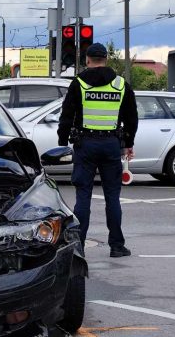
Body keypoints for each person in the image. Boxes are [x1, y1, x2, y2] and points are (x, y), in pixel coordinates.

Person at [57, 43, 138, 257]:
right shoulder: (121, 85)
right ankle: (117, 246)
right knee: (113, 196)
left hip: (85, 146)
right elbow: (131, 117)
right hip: (111, 145)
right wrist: (129, 143)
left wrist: (62, 141)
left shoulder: (79, 83)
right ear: (106, 59)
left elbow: (66, 116)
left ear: (88, 60)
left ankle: (78, 246)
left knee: (83, 196)